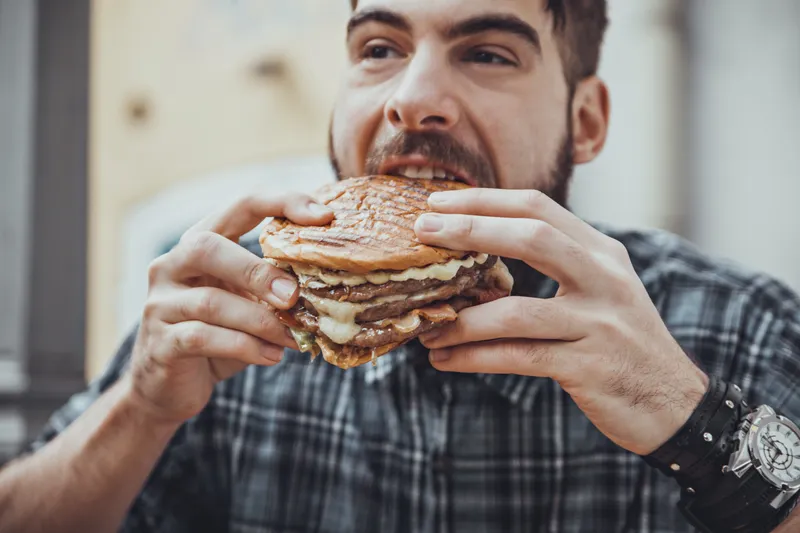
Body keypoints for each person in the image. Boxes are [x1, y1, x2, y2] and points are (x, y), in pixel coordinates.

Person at [2, 0, 799, 531]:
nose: (413, 99)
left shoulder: (737, 326)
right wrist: (139, 408)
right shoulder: (228, 316)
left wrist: (693, 422)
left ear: (583, 121)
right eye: (378, 49)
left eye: (486, 53)